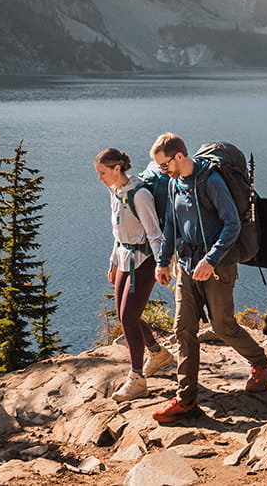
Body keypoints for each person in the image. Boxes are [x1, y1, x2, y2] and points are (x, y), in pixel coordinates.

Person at [149, 133, 267, 423]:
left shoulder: (211, 181)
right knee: (183, 328)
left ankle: (260, 363)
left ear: (179, 156)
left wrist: (211, 260)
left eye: (164, 165)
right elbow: (171, 225)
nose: (162, 171)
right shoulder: (173, 183)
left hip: (218, 265)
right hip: (187, 264)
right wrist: (162, 261)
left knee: (223, 326)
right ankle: (186, 399)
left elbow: (231, 224)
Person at [95, 147, 175, 400]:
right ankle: (158, 354)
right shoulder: (115, 191)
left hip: (144, 261)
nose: (100, 178)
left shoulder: (139, 195)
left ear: (117, 169)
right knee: (124, 315)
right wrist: (113, 262)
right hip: (124, 258)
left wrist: (163, 265)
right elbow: (118, 233)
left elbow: (154, 233)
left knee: (129, 317)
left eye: (103, 172)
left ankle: (137, 378)